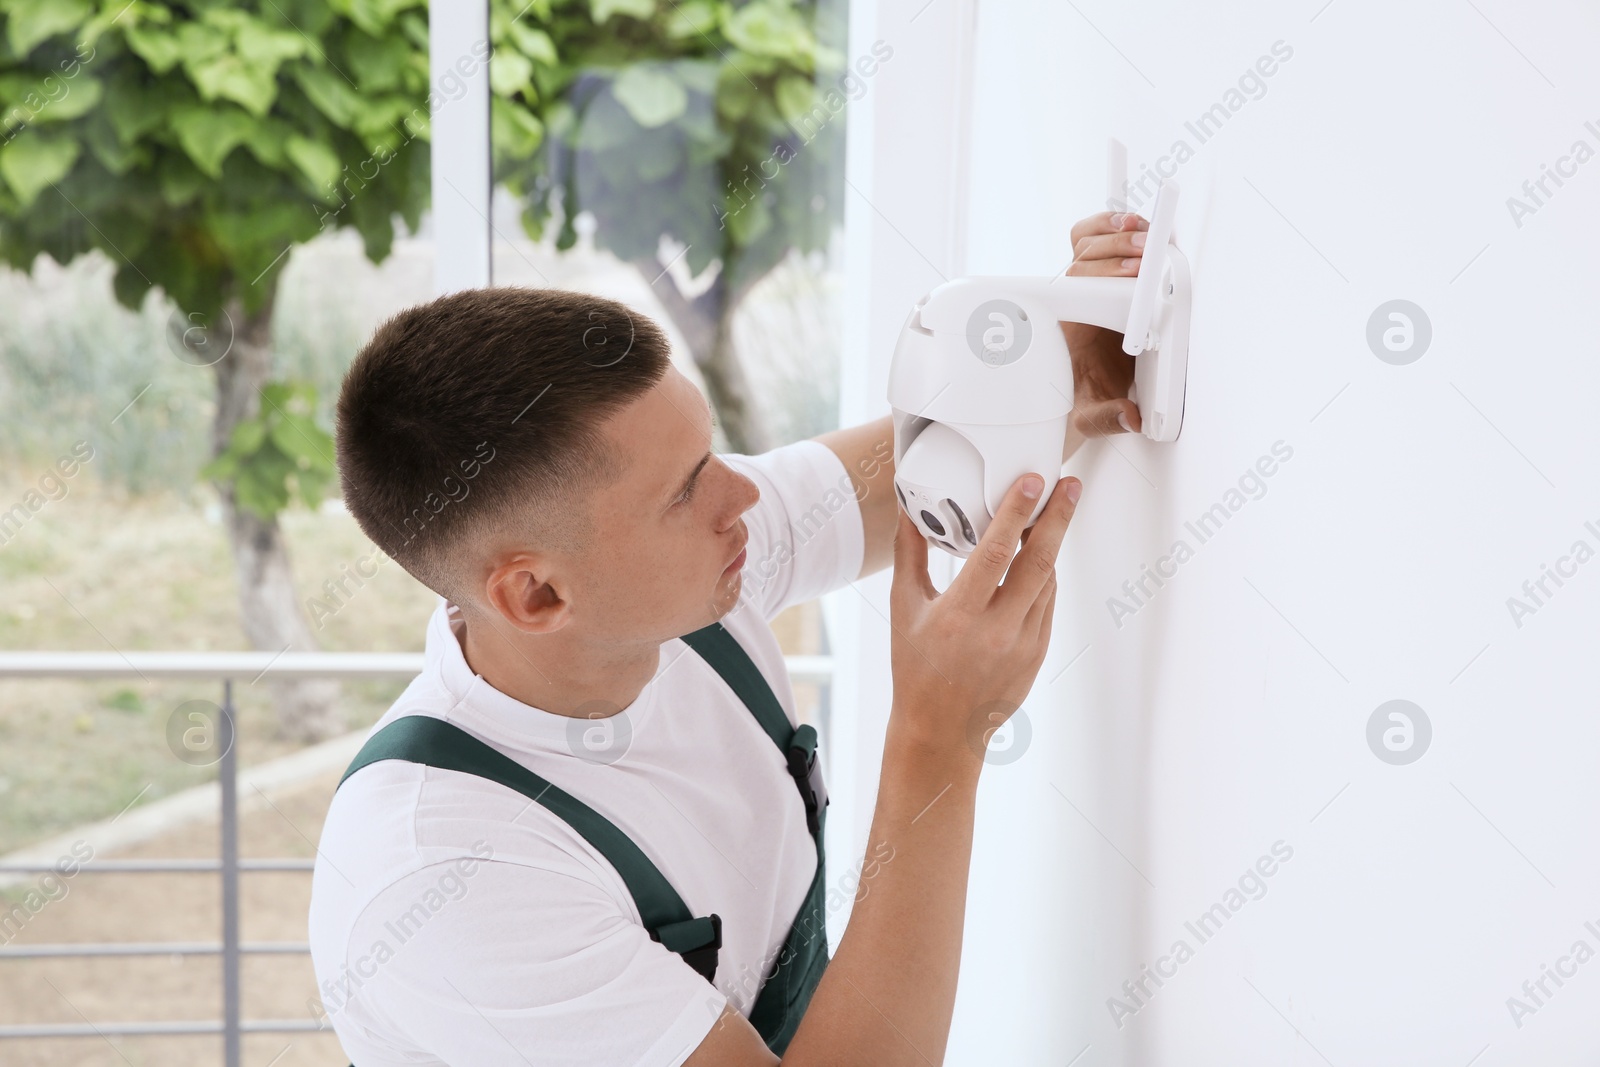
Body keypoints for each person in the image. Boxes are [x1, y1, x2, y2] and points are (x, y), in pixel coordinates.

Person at [307, 210, 1150, 1066]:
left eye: (713, 453)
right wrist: (940, 739)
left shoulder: (661, 582)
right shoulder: (447, 881)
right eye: (685, 489)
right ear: (535, 594)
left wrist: (1049, 375)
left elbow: (882, 481)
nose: (742, 497)